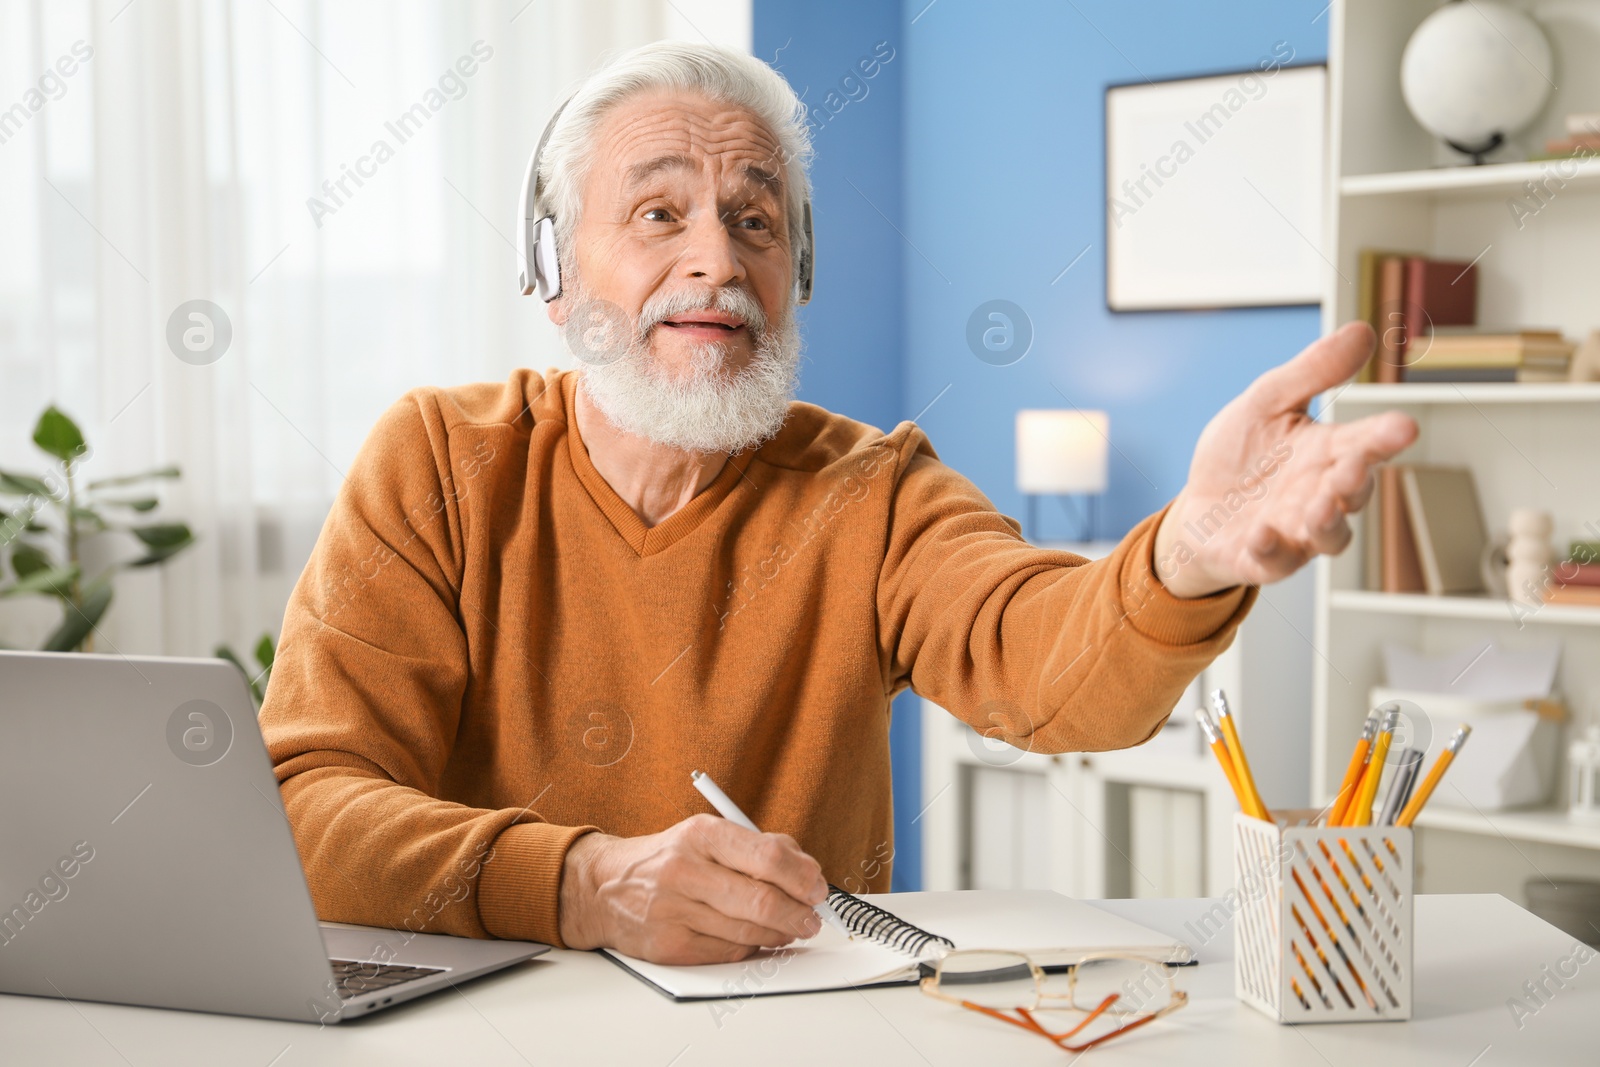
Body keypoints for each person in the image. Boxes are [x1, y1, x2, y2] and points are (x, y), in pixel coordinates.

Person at [260, 41, 1416, 966]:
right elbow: (301, 807)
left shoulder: (871, 488)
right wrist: (579, 883)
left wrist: (1183, 556)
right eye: (659, 214)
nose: (716, 257)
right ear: (556, 274)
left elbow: (1046, 660)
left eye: (755, 220)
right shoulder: (435, 459)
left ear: (794, 275)